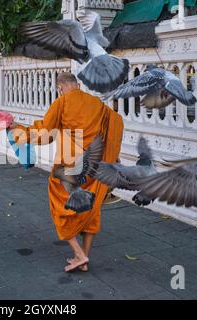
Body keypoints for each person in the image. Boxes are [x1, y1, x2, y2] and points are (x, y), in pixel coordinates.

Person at [10, 72, 124, 272]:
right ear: (78, 85)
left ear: (59, 87)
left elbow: (45, 134)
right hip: (95, 166)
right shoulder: (97, 104)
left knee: (60, 206)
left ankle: (79, 254)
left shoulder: (61, 103)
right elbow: (115, 122)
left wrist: (17, 129)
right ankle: (84, 258)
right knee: (91, 208)